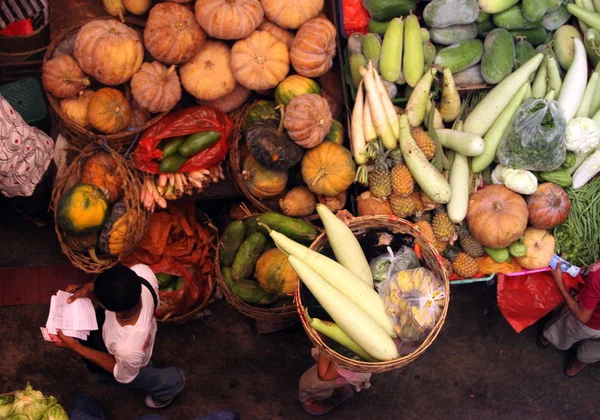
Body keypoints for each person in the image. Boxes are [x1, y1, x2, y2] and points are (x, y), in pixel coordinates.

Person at [51, 264, 185, 408]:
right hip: (134, 345)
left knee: (139, 375)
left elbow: (120, 372)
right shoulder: (142, 273)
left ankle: (171, 386)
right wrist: (88, 287)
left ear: (118, 312)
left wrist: (76, 347)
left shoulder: (127, 349)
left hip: (128, 359)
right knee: (135, 360)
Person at [538, 262, 600, 377]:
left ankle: (545, 340)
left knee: (562, 332)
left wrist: (560, 284)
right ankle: (575, 367)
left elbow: (583, 316)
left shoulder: (598, 272)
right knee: (595, 350)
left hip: (589, 324)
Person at [299, 349, 371, 416]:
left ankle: (336, 396)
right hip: (341, 355)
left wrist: (325, 347)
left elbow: (324, 376)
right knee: (325, 367)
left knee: (308, 384)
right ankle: (328, 367)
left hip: (350, 363)